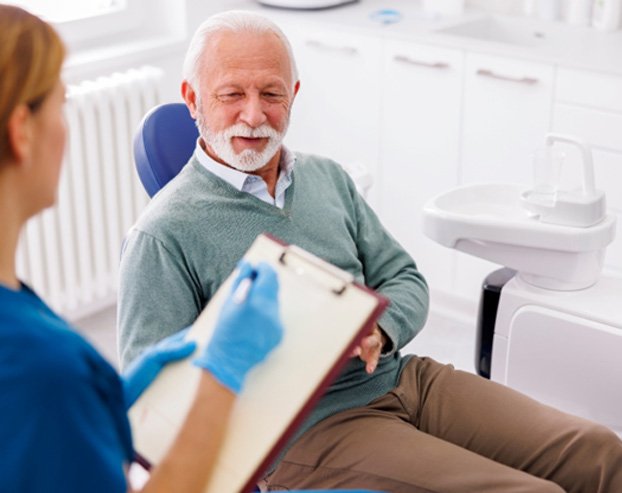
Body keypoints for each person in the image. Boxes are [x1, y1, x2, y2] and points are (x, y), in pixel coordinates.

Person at [118, 9, 622, 493]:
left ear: (293, 94)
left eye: (271, 93)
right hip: (307, 430)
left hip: (403, 377)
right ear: (192, 98)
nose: (254, 114)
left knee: (601, 451)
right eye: (231, 94)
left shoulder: (326, 178)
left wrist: (380, 329)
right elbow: (154, 411)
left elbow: (404, 277)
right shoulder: (163, 233)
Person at [0, 5, 286, 492]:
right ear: (22, 130)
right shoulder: (40, 367)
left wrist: (109, 399)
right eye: (61, 104)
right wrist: (224, 372)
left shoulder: (25, 328)